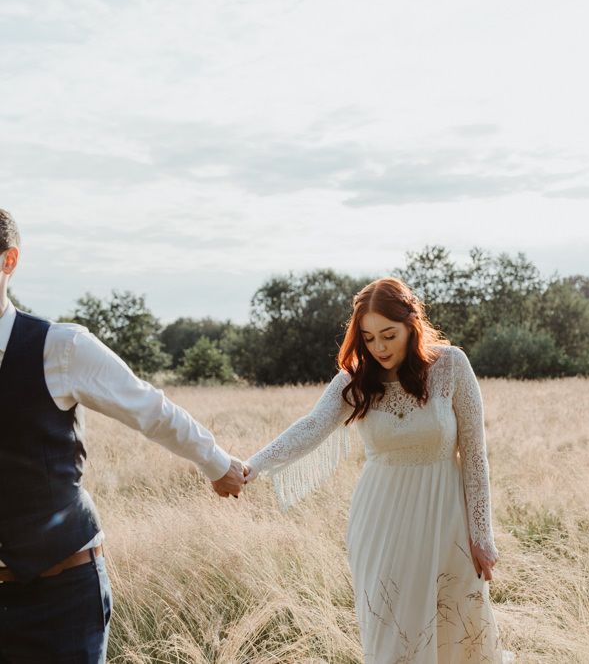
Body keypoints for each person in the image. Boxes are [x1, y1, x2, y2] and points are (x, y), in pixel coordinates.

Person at [0, 208, 246, 662]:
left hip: (61, 600)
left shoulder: (61, 347)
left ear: (8, 261)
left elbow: (149, 409)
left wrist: (216, 462)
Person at [242, 277, 514, 663]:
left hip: (446, 519)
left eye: (389, 334)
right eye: (369, 338)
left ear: (411, 325)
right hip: (382, 522)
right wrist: (253, 465)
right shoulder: (356, 379)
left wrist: (482, 534)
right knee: (392, 636)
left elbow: (474, 455)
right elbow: (311, 427)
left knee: (458, 631)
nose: (380, 347)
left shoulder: (451, 365)